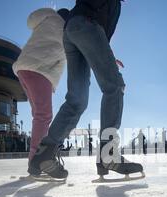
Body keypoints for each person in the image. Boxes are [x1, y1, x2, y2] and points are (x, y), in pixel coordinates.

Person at [29, 0, 144, 181]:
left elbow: (99, 38)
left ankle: (44, 154)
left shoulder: (114, 5)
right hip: (86, 25)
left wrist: (107, 54)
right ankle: (109, 154)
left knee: (77, 100)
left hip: (74, 30)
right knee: (114, 86)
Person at [12, 7, 69, 165]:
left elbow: (30, 20)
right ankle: (37, 159)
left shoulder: (47, 18)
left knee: (38, 115)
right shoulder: (67, 32)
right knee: (44, 116)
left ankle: (35, 158)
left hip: (23, 69)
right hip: (40, 71)